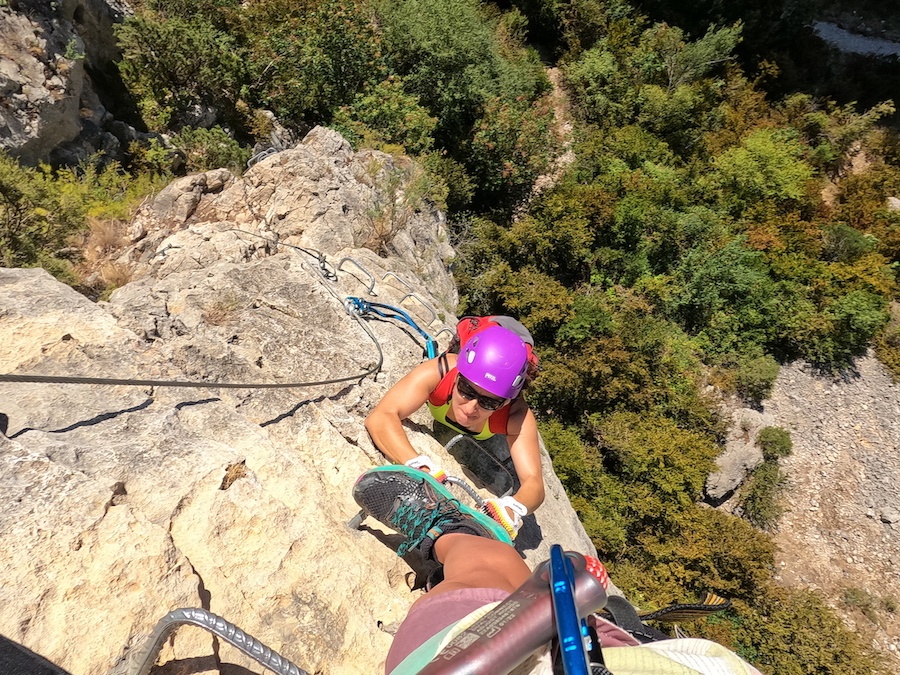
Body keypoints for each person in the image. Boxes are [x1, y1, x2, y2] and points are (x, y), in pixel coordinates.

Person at [365, 318, 544, 540]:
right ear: (458, 375)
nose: (471, 408)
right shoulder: (441, 371)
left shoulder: (515, 415)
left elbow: (534, 482)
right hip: (492, 327)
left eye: (489, 403)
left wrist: (512, 509)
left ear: (506, 402)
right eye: (466, 390)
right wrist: (418, 465)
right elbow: (381, 416)